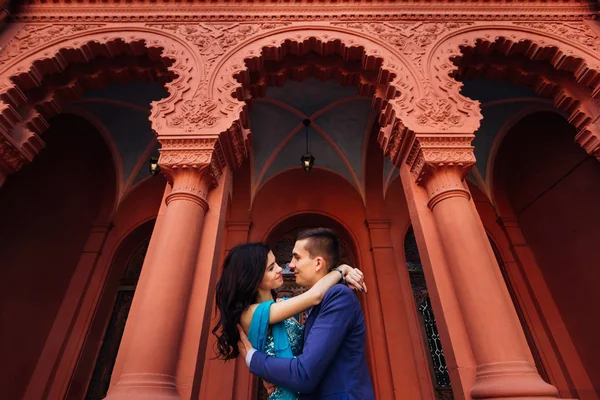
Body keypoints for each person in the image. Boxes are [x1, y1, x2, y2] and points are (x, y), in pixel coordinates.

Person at [212, 240, 366, 400]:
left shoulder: (283, 305)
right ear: (254, 278)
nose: (280, 269)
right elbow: (315, 296)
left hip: (305, 388)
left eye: (276, 263)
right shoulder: (249, 314)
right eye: (271, 268)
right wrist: (342, 269)